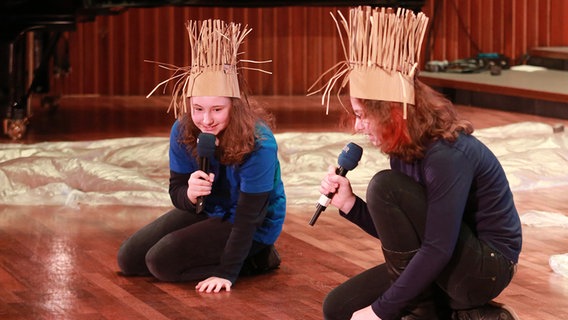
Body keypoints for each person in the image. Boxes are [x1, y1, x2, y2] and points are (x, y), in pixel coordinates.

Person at [309, 6, 522, 320]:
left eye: (361, 115)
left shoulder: (447, 154)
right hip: (447, 254)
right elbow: (404, 238)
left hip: (484, 269)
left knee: (384, 186)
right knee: (339, 308)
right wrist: (350, 204)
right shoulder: (403, 149)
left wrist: (380, 312)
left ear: (391, 113)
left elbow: (437, 247)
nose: (358, 126)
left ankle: (425, 313)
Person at [117, 19, 286, 294]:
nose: (205, 120)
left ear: (235, 106)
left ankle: (258, 258)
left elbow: (248, 218)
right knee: (129, 259)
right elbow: (177, 191)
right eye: (198, 109)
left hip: (252, 222)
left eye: (217, 110)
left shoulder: (260, 143)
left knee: (161, 263)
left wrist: (227, 273)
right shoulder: (182, 129)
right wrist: (190, 194)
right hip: (209, 209)